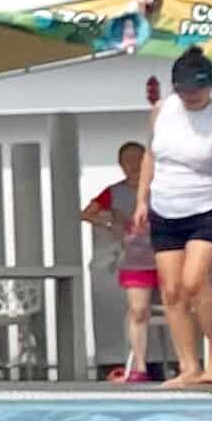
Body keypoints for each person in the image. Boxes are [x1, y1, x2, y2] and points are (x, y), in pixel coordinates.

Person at [144, 46, 212, 387]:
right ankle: (189, 366)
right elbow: (150, 155)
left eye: (198, 91)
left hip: (207, 209)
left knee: (195, 281)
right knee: (171, 290)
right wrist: (142, 200)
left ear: (210, 87)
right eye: (185, 91)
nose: (191, 97)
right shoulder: (162, 111)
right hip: (165, 209)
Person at [82, 138, 161, 383]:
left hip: (164, 254)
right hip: (134, 259)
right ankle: (138, 366)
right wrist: (111, 224)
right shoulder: (114, 191)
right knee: (137, 310)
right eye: (127, 161)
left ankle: (184, 364)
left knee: (177, 308)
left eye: (138, 160)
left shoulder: (161, 188)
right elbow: (86, 213)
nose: (133, 165)